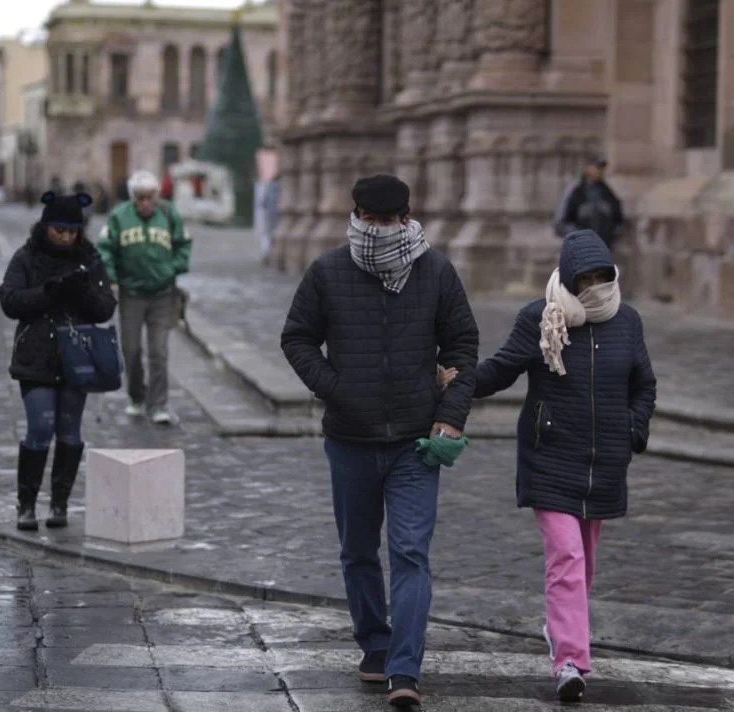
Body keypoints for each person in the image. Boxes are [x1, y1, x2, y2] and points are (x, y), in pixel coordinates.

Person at [280, 174, 479, 708]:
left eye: (389, 221)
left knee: (411, 553)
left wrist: (451, 414)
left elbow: (462, 344)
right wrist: (335, 389)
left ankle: (404, 668)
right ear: (356, 217)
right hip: (349, 438)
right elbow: (296, 337)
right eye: (370, 220)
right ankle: (374, 642)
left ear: (406, 218)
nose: (380, 230)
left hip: (415, 442)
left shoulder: (435, 270)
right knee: (357, 551)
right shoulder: (327, 272)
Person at [440, 229, 656, 703]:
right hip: (550, 458)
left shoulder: (628, 322)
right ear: (571, 278)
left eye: (604, 276)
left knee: (584, 565)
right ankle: (571, 662)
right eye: (588, 278)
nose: (596, 285)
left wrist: (632, 429)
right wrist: (459, 382)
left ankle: (559, 630)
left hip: (604, 464)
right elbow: (501, 368)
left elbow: (644, 386)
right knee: (567, 560)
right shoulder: (542, 318)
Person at [0, 191, 117, 531]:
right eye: (59, 230)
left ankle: (60, 504)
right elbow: (9, 300)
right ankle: (27, 505)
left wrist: (81, 292)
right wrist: (48, 292)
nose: (66, 237)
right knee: (39, 427)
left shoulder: (89, 258)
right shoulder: (27, 257)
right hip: (36, 355)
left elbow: (105, 307)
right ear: (46, 226)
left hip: (76, 357)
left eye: (72, 231)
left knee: (69, 430)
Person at [96, 169, 192, 425]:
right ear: (132, 197)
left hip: (163, 294)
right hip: (131, 294)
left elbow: (184, 243)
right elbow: (105, 249)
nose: (146, 203)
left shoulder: (169, 213)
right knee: (132, 349)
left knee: (159, 351)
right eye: (140, 197)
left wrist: (173, 268)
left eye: (150, 197)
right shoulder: (119, 216)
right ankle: (136, 396)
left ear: (156, 196)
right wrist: (112, 278)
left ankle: (158, 403)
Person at [552, 153, 624, 249]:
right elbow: (559, 223)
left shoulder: (608, 194)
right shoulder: (574, 192)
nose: (600, 171)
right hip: (580, 252)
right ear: (587, 167)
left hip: (603, 252)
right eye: (596, 166)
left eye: (601, 168)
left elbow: (619, 222)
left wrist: (608, 237)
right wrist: (579, 237)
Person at [257, 174, 281, 264]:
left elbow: (263, 202)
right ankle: (276, 256)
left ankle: (267, 255)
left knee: (268, 236)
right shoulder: (284, 186)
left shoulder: (270, 186)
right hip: (281, 216)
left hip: (270, 216)